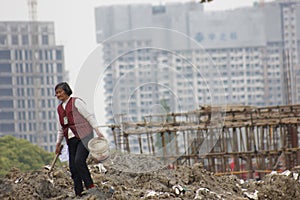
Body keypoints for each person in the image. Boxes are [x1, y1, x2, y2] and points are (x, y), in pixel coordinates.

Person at [54, 82, 104, 197]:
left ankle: (91, 187)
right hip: (71, 140)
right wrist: (58, 144)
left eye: (60, 92)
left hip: (84, 136)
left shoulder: (76, 102)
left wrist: (97, 131)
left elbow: (89, 116)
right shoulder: (59, 109)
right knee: (73, 167)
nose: (58, 95)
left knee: (79, 161)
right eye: (56, 93)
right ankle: (79, 192)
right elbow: (61, 129)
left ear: (66, 91)